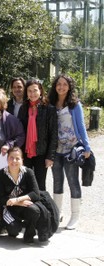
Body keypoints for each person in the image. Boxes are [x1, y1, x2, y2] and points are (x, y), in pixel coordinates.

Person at [48, 74, 91, 230]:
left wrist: (87, 147)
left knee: (73, 182)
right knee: (57, 182)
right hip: (56, 150)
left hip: (71, 150)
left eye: (64, 84)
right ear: (55, 86)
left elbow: (81, 126)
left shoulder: (74, 105)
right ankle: (57, 213)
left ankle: (75, 216)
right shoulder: (51, 103)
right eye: (58, 84)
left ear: (69, 86)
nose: (61, 87)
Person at [0, 147, 50, 243]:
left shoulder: (28, 172)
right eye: (11, 158)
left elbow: (35, 193)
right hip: (9, 207)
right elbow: (1, 198)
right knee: (14, 230)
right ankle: (15, 226)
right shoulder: (0, 175)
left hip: (24, 205)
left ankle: (29, 234)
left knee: (35, 210)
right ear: (7, 159)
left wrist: (18, 199)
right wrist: (18, 202)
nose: (14, 161)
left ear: (22, 160)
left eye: (17, 158)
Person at [18, 79, 58, 191]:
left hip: (42, 152)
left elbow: (53, 134)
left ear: (40, 91)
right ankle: (29, 208)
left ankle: (42, 207)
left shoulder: (49, 109)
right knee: (25, 183)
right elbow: (20, 131)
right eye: (29, 91)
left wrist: (50, 156)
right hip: (26, 152)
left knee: (40, 184)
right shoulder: (24, 108)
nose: (32, 93)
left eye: (35, 90)